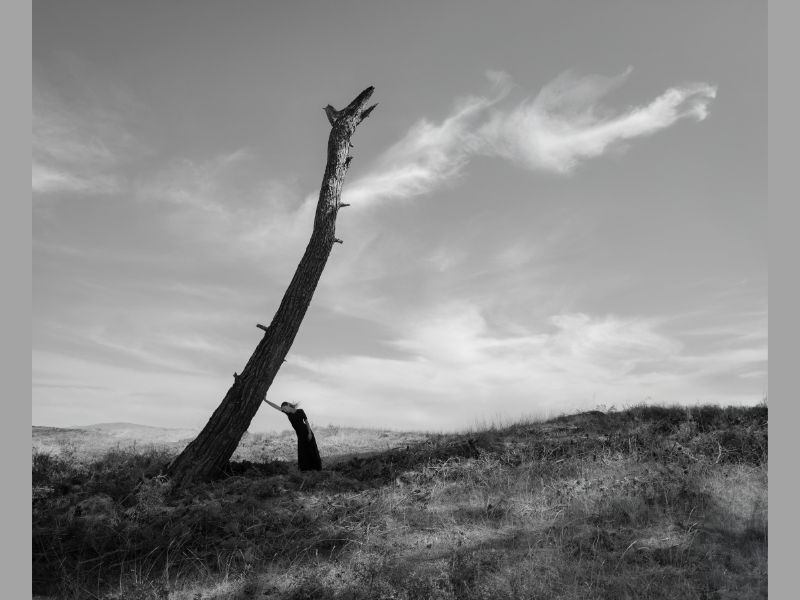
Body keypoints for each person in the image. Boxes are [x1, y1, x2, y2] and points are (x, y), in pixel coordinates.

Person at [263, 398, 322, 471]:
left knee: (312, 449)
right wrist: (266, 400)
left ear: (288, 405)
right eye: (283, 409)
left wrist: (309, 433)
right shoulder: (288, 413)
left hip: (307, 432)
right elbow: (275, 406)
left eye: (285, 408)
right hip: (300, 435)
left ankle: (316, 468)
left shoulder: (300, 411)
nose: (284, 410)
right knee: (303, 451)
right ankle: (305, 470)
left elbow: (307, 422)